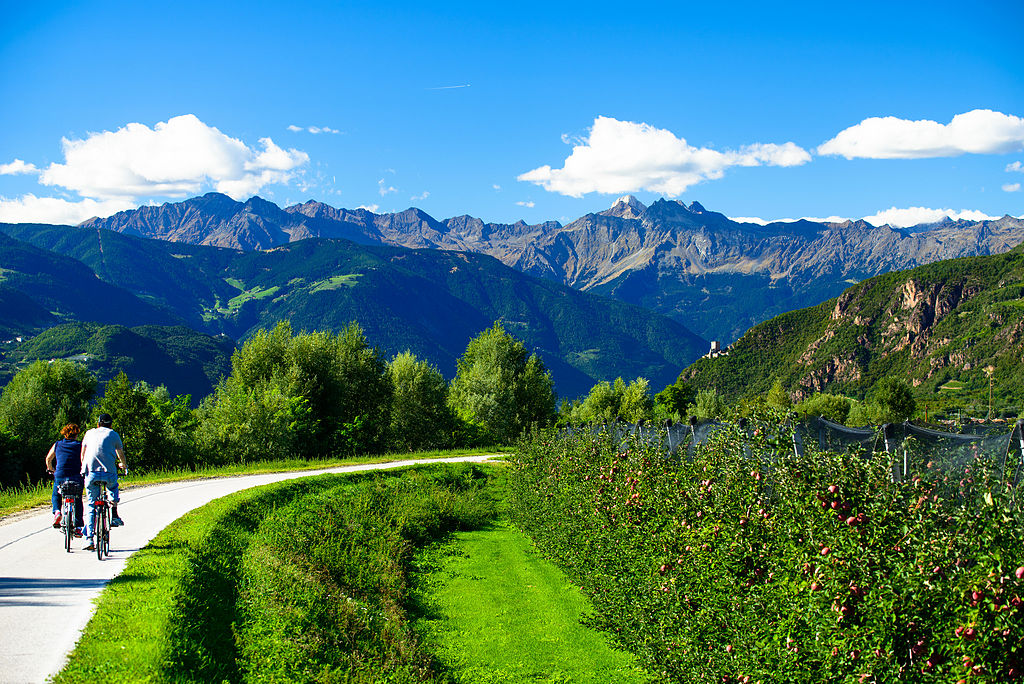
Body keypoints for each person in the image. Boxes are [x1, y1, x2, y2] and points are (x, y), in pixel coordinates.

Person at [80, 413, 127, 550]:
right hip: (108, 472)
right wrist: (123, 465)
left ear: (98, 423)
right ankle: (114, 513)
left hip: (90, 472)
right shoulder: (113, 434)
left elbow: (83, 453)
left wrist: (84, 466)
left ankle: (89, 539)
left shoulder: (89, 433)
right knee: (112, 488)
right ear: (111, 424)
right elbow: (120, 453)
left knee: (91, 505)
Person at [44, 423, 85, 537]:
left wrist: (51, 469)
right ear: (76, 434)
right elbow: (84, 458)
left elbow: (48, 458)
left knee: (56, 494)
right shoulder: (80, 445)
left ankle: (57, 511)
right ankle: (77, 527)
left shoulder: (57, 444)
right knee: (77, 499)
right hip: (76, 476)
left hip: (60, 475)